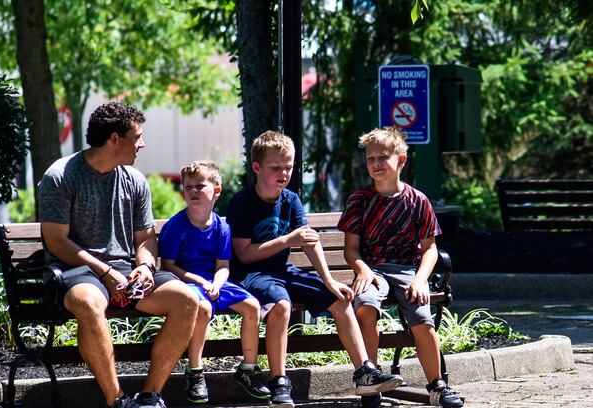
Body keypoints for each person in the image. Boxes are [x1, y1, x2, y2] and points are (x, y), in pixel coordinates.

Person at [37, 101, 200, 408]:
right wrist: (104, 272)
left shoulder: (134, 180)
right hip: (77, 271)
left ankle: (150, 396)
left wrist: (146, 267)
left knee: (187, 300)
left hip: (126, 271)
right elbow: (57, 242)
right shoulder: (61, 176)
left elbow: (145, 239)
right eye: (137, 136)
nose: (142, 144)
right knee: (88, 302)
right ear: (114, 138)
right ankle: (118, 401)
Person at [226, 131, 404, 408]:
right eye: (276, 168)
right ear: (257, 168)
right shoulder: (242, 202)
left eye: (289, 167)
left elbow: (309, 241)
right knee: (281, 305)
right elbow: (244, 255)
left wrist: (329, 280)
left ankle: (364, 372)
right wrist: (287, 240)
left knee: (340, 298)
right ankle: (279, 381)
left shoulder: (291, 200)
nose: (284, 173)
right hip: (252, 275)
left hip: (283, 271)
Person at [338, 127, 464, 408]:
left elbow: (430, 249)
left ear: (402, 160)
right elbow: (351, 249)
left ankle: (437, 385)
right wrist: (362, 269)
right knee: (365, 307)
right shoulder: (359, 201)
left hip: (408, 270)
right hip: (372, 270)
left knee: (422, 318)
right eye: (371, 159)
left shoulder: (418, 201)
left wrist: (420, 280)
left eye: (383, 157)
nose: (376, 164)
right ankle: (370, 382)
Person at [159, 161, 269, 404]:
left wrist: (217, 284)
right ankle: (195, 372)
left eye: (200, 186)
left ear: (216, 191)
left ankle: (248, 369)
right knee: (204, 308)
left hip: (213, 283)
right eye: (188, 187)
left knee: (252, 306)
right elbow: (168, 266)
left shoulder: (222, 227)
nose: (194, 191)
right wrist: (201, 281)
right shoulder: (176, 226)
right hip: (184, 283)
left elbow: (223, 267)